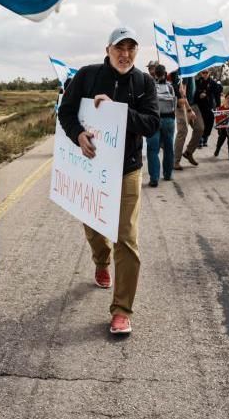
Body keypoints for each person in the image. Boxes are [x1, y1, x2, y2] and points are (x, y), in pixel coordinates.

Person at [58, 27, 160, 335]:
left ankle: (121, 310)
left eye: (131, 48)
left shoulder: (144, 83)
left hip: (128, 169)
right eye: (120, 47)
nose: (125, 54)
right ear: (108, 49)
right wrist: (77, 134)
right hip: (91, 168)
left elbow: (152, 124)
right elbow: (66, 112)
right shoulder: (87, 76)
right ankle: (101, 262)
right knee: (92, 224)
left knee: (126, 237)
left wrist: (119, 112)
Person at [146, 64, 176, 187]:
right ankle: (168, 174)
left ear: (154, 74)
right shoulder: (170, 87)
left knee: (153, 150)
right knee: (169, 148)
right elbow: (174, 103)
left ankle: (154, 178)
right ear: (165, 73)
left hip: (154, 120)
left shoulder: (150, 86)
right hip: (169, 119)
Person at [172, 71, 204, 170]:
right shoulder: (183, 70)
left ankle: (188, 152)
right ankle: (175, 161)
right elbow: (182, 93)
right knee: (182, 132)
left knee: (199, 128)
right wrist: (189, 109)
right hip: (182, 106)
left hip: (193, 104)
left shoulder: (192, 70)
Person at [194, 69, 223, 147]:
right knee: (200, 124)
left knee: (209, 123)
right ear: (201, 73)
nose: (205, 74)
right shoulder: (197, 82)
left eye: (206, 72)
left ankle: (205, 138)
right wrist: (199, 95)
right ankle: (200, 139)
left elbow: (217, 95)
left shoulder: (213, 83)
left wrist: (218, 106)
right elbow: (194, 93)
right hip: (199, 106)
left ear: (209, 73)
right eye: (203, 72)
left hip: (209, 106)